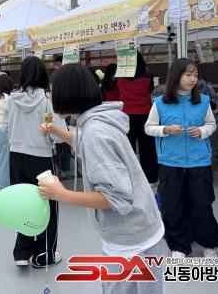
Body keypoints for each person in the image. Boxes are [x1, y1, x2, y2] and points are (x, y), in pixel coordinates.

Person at [39, 63, 166, 294]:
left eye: (52, 91)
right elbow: (83, 141)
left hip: (131, 241)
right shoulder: (98, 121)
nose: (51, 96)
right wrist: (56, 130)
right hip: (140, 230)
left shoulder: (95, 133)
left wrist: (62, 194)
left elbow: (116, 198)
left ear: (68, 93)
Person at [145, 58, 218, 259]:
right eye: (188, 75)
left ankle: (209, 244)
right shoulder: (160, 103)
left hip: (199, 161)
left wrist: (202, 131)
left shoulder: (203, 101)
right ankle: (179, 246)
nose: (193, 79)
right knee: (173, 206)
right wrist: (166, 129)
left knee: (202, 204)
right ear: (176, 76)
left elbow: (212, 124)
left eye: (195, 75)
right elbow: (149, 128)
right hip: (170, 162)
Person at [3, 56, 60, 268]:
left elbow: (5, 127)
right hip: (41, 157)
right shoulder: (46, 100)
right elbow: (56, 133)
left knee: (23, 204)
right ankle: (44, 254)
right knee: (48, 205)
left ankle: (21, 252)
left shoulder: (11, 98)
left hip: (16, 156)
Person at [117, 52, 158, 185]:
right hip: (144, 114)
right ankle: (150, 178)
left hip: (125, 115)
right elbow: (150, 91)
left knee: (127, 149)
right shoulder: (148, 75)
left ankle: (129, 178)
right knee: (148, 149)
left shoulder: (120, 76)